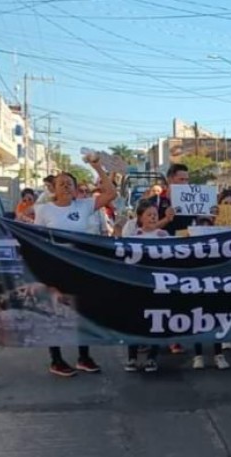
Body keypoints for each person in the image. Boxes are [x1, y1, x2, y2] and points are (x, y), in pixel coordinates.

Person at [34, 157, 117, 377]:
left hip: (79, 265)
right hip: (55, 268)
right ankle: (56, 359)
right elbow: (37, 239)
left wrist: (97, 166)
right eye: (61, 183)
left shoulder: (84, 205)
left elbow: (111, 194)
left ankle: (84, 356)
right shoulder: (43, 210)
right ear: (53, 188)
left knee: (82, 311)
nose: (66, 185)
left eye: (70, 182)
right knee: (55, 312)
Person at [124, 202, 170, 373]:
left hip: (158, 284)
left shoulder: (163, 235)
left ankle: (152, 357)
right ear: (140, 217)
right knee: (135, 321)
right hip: (138, 285)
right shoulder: (134, 236)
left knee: (156, 321)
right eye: (149, 214)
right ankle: (132, 357)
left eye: (155, 214)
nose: (153, 217)